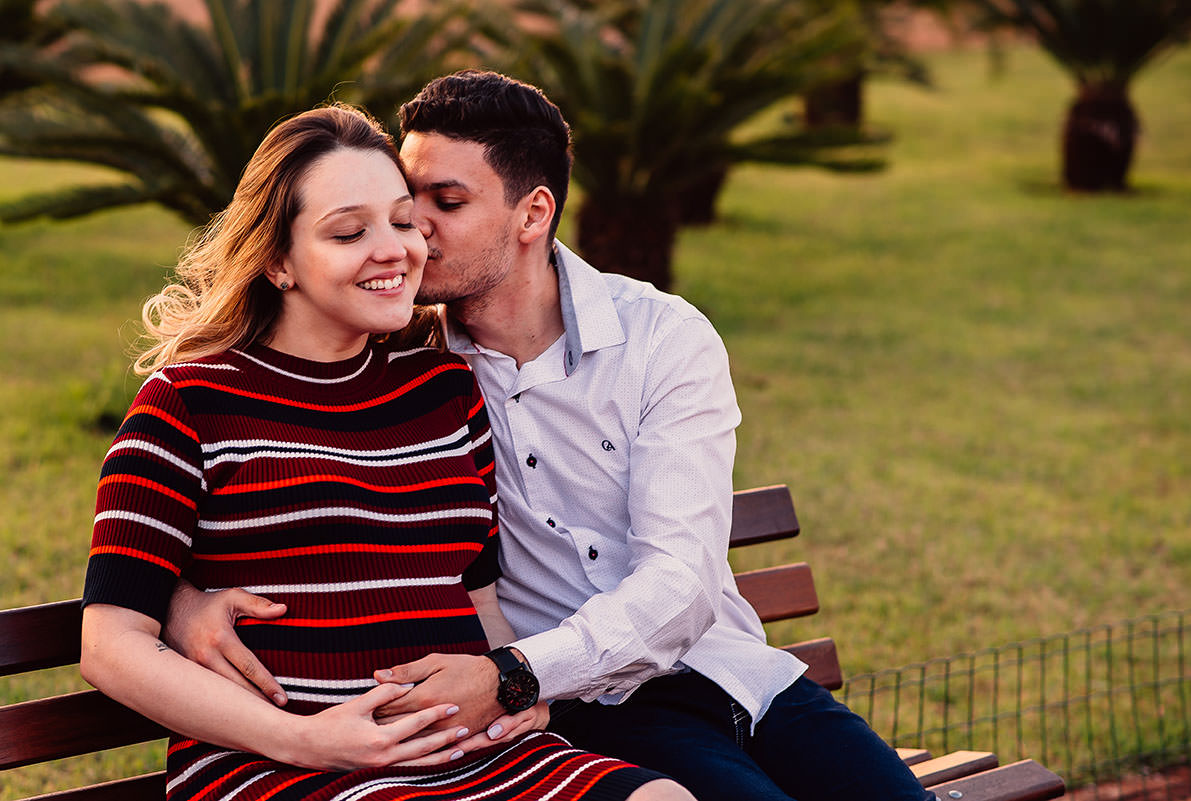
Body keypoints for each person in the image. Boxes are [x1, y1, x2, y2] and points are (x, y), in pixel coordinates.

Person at [164, 73, 937, 801]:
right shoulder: (405, 366)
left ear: (533, 214)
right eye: (406, 200)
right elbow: (250, 439)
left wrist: (513, 672)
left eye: (445, 201)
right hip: (590, 711)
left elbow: (681, 582)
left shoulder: (660, 337)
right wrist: (177, 597)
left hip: (736, 673)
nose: (410, 230)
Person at [79, 102, 691, 801]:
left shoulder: (444, 389)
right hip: (280, 764)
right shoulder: (188, 401)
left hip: (472, 752)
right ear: (277, 261)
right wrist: (300, 738)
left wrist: (514, 692)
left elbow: (475, 597)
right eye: (349, 232)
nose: (395, 249)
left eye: (403, 222)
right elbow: (109, 643)